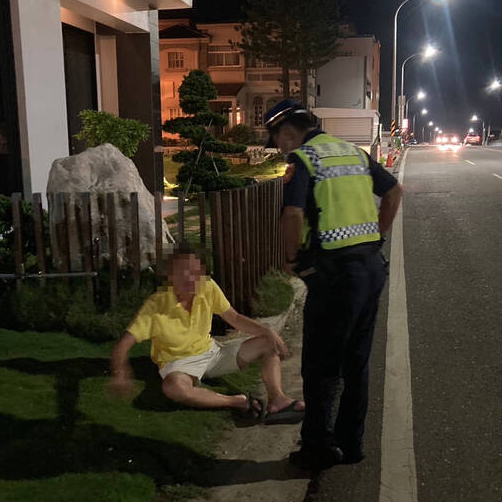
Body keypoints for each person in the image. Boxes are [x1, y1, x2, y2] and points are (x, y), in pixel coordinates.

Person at [266, 100, 403, 469]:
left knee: (321, 366)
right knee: (356, 362)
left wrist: (292, 259)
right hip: (370, 268)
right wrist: (376, 237)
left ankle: (317, 450)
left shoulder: (304, 159)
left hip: (335, 275)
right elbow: (394, 192)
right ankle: (351, 444)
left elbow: (293, 214)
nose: (279, 148)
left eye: (277, 139)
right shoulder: (352, 153)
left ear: (288, 131)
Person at [109, 244, 305, 422]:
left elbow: (234, 318)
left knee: (267, 343)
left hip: (212, 352)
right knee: (173, 387)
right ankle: (237, 401)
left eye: (196, 272)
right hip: (179, 363)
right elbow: (124, 344)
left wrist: (268, 331)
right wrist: (120, 374)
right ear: (170, 276)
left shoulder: (207, 287)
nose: (191, 278)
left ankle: (277, 399)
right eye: (183, 272)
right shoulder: (156, 305)